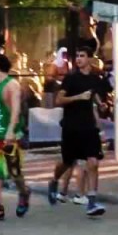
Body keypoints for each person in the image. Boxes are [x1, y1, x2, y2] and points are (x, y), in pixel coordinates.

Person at [46, 47, 108, 217]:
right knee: (67, 162)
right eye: (77, 56)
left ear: (90, 59)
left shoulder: (95, 78)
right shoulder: (71, 79)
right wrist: (78, 97)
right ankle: (53, 181)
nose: (79, 59)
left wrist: (100, 104)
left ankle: (92, 203)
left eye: (82, 56)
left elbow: (94, 95)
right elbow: (59, 100)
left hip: (89, 126)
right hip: (72, 126)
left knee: (93, 162)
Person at [0, 54, 31, 222]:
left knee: (14, 171)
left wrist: (11, 130)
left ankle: (24, 192)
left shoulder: (12, 85)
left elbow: (16, 109)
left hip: (10, 136)